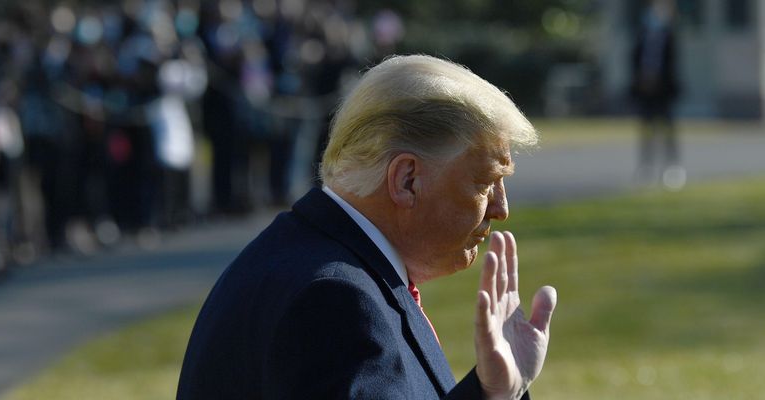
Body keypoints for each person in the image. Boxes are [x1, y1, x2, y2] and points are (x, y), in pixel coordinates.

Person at [177, 55, 558, 399]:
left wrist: (494, 391)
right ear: (407, 179)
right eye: (485, 182)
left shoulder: (309, 256)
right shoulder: (335, 301)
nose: (501, 208)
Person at [629, 0, 684, 189]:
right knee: (647, 131)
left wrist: (659, 81)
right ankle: (646, 167)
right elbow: (635, 62)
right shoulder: (642, 36)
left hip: (663, 92)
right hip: (645, 93)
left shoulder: (669, 37)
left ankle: (672, 167)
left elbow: (672, 66)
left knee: (668, 130)